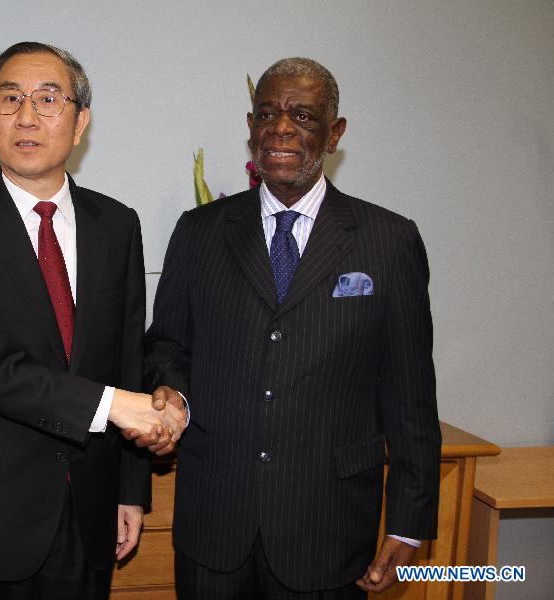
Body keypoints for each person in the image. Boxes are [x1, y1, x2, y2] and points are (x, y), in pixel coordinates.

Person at [143, 57, 440, 598]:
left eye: (303, 116)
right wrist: (172, 392)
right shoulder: (200, 232)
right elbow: (167, 343)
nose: (281, 128)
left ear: (335, 133)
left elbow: (411, 391)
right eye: (268, 114)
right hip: (214, 523)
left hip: (327, 527)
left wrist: (408, 521)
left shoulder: (388, 240)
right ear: (251, 126)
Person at [0, 41, 186, 600]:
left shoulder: (117, 224)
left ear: (80, 122)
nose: (27, 116)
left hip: (88, 515)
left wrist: (130, 491)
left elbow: (128, 353)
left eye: (48, 99)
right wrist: (114, 406)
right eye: (10, 99)